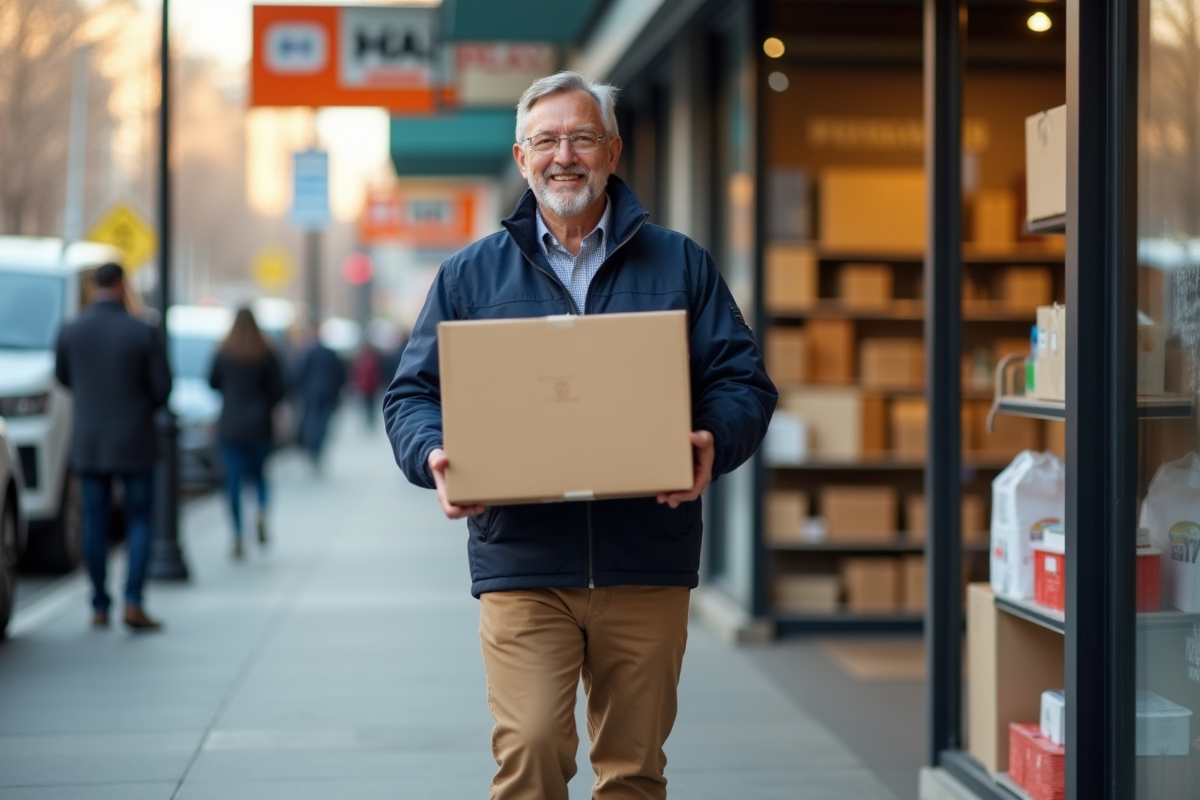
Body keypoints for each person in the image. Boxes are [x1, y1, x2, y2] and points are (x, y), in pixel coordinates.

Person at [382, 72, 777, 800]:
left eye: (582, 138)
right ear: (521, 156)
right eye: (546, 141)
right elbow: (411, 396)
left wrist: (711, 441)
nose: (564, 156)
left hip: (646, 556)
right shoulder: (469, 276)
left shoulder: (681, 263)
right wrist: (432, 454)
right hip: (522, 559)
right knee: (530, 752)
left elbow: (743, 382)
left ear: (613, 151)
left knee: (633, 771)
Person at [54, 262, 172, 631]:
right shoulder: (142, 330)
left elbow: (63, 377)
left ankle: (99, 604)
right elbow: (162, 390)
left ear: (94, 287)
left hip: (90, 441)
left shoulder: (71, 330)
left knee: (94, 520)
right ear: (122, 285)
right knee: (139, 519)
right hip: (135, 439)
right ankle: (133, 601)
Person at [208, 307, 285, 558]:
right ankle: (261, 510)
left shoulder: (223, 352)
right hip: (259, 425)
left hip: (231, 426)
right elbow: (279, 389)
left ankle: (237, 535)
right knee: (260, 476)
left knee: (233, 482)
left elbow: (212, 383)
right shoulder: (266, 352)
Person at [291, 325, 345, 469]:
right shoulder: (330, 353)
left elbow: (300, 373)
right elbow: (340, 373)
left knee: (312, 421)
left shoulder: (308, 353)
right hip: (328, 393)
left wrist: (299, 391)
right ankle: (317, 447)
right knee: (322, 422)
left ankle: (312, 447)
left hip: (311, 394)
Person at [348, 344, 381, 429]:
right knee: (369, 404)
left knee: (368, 404)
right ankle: (370, 419)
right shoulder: (372, 358)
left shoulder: (361, 359)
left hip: (366, 385)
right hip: (370, 385)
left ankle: (369, 419)